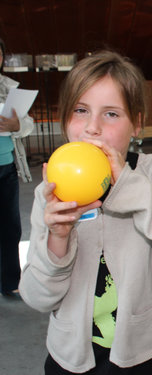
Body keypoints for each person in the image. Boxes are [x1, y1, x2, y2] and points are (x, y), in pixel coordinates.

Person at [19, 50, 152, 374]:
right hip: (70, 357)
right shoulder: (53, 190)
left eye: (111, 114)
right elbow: (36, 296)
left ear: (137, 124)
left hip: (148, 354)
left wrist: (134, 191)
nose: (92, 128)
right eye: (80, 110)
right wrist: (57, 240)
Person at [0, 37, 33, 298]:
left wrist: (16, 126)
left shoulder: (8, 87)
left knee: (11, 227)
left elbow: (27, 123)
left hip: (6, 167)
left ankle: (10, 281)